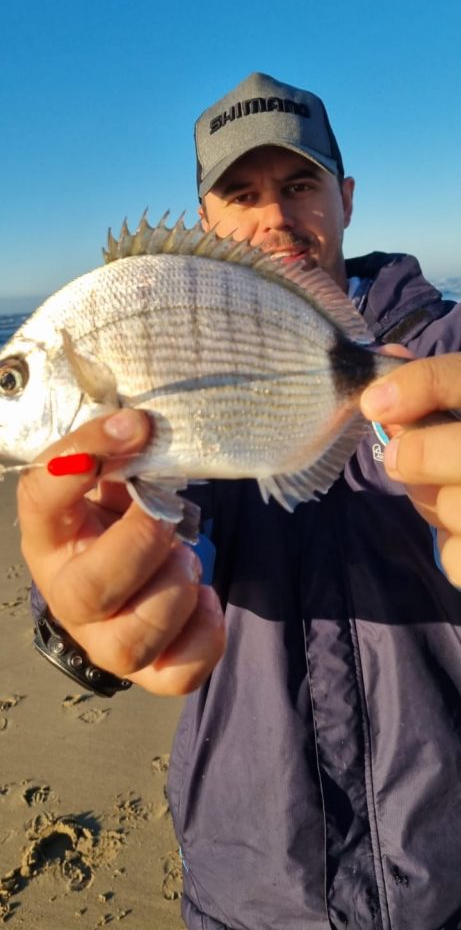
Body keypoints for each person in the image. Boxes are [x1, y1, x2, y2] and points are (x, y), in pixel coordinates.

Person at [19, 73, 461, 930]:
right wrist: (79, 613)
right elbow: (128, 512)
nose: (275, 218)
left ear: (346, 197)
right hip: (248, 886)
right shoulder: (158, 356)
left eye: (299, 185)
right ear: (205, 221)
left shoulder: (441, 345)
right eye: (241, 194)